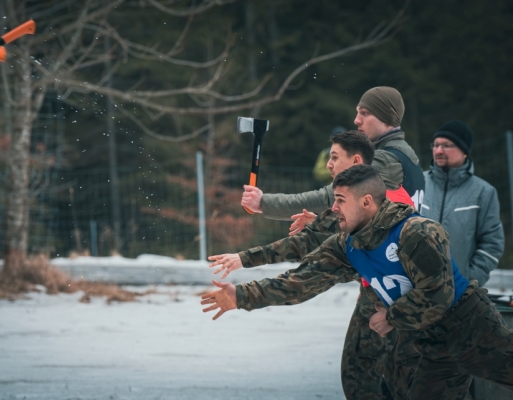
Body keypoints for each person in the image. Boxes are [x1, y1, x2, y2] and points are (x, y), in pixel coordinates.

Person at [203, 165, 513, 399]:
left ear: (366, 201)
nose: (333, 208)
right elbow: (300, 281)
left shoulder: (416, 233)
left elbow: (438, 295)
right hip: (430, 346)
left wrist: (391, 316)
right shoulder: (347, 245)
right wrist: (241, 295)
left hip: (471, 327)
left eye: (340, 200)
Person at [213, 130, 410, 400]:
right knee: (376, 380)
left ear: (355, 162)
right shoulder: (378, 198)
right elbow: (311, 240)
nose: (328, 164)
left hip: (399, 305)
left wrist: (242, 293)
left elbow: (304, 277)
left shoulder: (363, 225)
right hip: (385, 297)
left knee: (365, 381)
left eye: (334, 157)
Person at [242, 86, 424, 221]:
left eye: (365, 113)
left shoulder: (385, 159)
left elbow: (331, 198)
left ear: (388, 116)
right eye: (357, 113)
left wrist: (264, 203)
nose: (356, 120)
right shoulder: (405, 153)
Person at [422, 120, 504, 286]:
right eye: (436, 145)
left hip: (458, 292)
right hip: (415, 289)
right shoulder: (418, 182)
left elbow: (492, 243)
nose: (438, 151)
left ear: (464, 151)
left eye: (446, 145)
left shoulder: (483, 192)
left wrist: (470, 280)